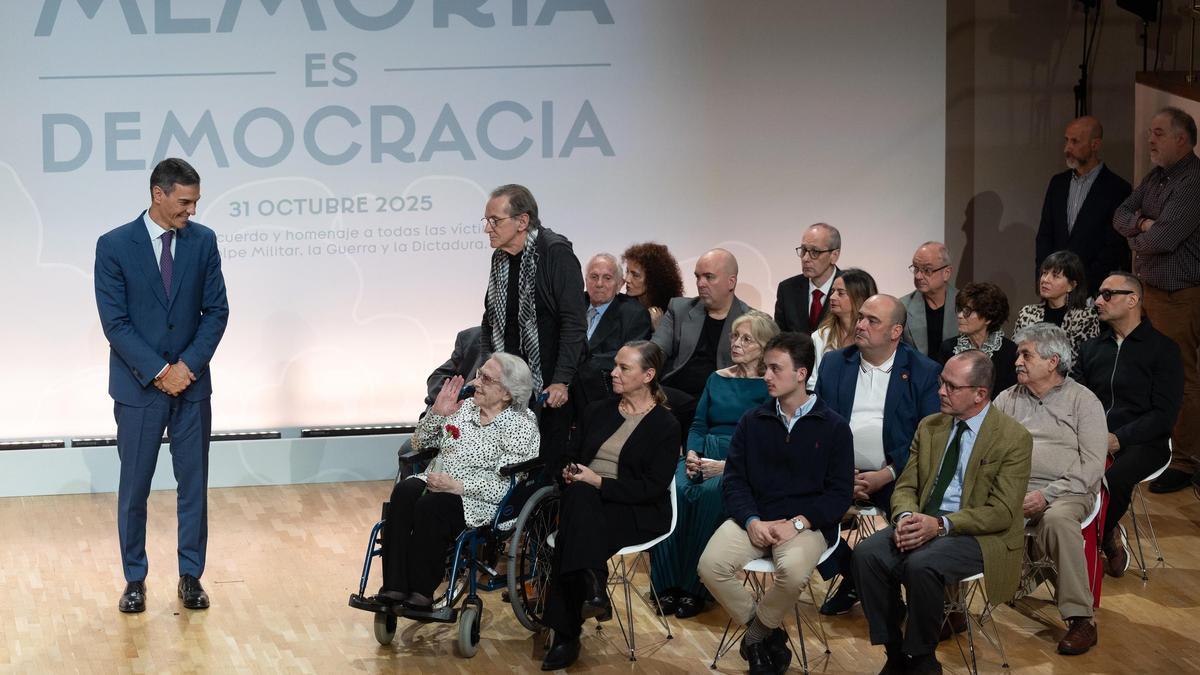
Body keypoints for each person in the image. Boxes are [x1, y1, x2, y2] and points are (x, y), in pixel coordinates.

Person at [94, 158, 230, 613]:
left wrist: (186, 367)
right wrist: (159, 372)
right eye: (184, 202)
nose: (190, 211)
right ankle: (135, 579)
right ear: (159, 194)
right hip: (139, 392)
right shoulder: (114, 246)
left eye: (195, 202)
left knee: (194, 487)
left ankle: (191, 576)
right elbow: (116, 323)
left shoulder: (203, 242)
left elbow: (217, 312)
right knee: (135, 489)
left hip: (192, 389)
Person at [853, 351, 1033, 675]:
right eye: (941, 383)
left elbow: (1002, 512)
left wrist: (940, 525)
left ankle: (921, 659)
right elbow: (906, 485)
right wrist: (906, 518)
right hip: (923, 522)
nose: (940, 391)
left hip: (976, 533)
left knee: (923, 564)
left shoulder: (1012, 438)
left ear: (980, 394)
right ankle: (895, 653)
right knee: (867, 554)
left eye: (952, 386)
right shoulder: (930, 427)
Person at [697, 331, 853, 675]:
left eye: (775, 369)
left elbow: (839, 494)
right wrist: (752, 520)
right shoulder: (752, 421)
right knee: (710, 566)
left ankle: (754, 639)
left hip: (805, 525)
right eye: (766, 368)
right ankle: (768, 634)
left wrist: (797, 523)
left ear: (801, 374)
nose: (766, 376)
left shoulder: (835, 427)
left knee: (794, 573)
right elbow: (734, 482)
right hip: (754, 520)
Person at [539, 341, 680, 671]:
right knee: (579, 500)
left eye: (624, 368)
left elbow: (651, 488)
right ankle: (593, 588)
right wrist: (569, 471)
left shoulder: (665, 425)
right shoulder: (598, 410)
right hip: (586, 500)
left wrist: (599, 482)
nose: (613, 373)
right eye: (615, 366)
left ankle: (567, 634)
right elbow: (572, 454)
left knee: (575, 526)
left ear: (648, 375)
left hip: (635, 509)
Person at [372, 354, 540, 610]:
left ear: (507, 393)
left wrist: (458, 486)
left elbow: (507, 488)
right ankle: (394, 587)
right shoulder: (464, 409)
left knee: (431, 507)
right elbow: (418, 445)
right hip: (439, 481)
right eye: (479, 374)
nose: (476, 382)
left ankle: (421, 591)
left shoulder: (521, 426)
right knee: (405, 491)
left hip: (479, 499)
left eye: (485, 378)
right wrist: (436, 414)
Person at [815, 294, 942, 616]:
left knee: (908, 522)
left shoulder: (923, 371)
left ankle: (878, 582)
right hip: (840, 474)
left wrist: (888, 473)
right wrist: (842, 474)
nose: (860, 325)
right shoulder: (834, 363)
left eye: (872, 321)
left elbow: (927, 436)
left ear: (895, 331)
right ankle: (858, 577)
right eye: (860, 317)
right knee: (801, 512)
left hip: (897, 475)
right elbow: (820, 425)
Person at [649, 310, 777, 620]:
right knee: (672, 489)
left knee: (711, 495)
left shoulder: (770, 387)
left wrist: (728, 466)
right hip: (703, 450)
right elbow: (698, 423)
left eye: (747, 339)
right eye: (735, 336)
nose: (736, 343)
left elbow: (766, 440)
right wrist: (692, 453)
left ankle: (696, 588)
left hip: (738, 459)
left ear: (764, 347)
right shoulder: (717, 378)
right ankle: (666, 585)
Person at [993, 323, 1106, 655]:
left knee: (1056, 521)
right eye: (1017, 354)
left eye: (1026, 354)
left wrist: (1047, 495)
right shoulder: (1007, 399)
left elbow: (1092, 465)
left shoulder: (1083, 401)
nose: (1017, 361)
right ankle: (951, 609)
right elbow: (984, 449)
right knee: (959, 512)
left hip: (1069, 492)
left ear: (1053, 361)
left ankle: (1081, 619)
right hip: (1013, 490)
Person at [1112, 107, 1200, 494]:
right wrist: (1145, 225)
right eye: (1151, 132)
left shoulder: (1193, 181)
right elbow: (1120, 215)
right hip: (1150, 293)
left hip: (1179, 295)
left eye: (1159, 133)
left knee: (1181, 378)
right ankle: (1154, 449)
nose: (1150, 139)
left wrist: (1143, 230)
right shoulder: (1156, 177)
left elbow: (1163, 240)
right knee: (1146, 376)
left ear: (1182, 139)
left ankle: (1185, 460)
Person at [1075, 273, 1183, 577]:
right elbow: (1077, 400)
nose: (1098, 301)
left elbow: (1164, 415)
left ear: (1132, 300)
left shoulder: (1164, 350)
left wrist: (1118, 438)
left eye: (1108, 294)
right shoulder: (1092, 348)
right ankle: (1096, 538)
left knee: (1112, 478)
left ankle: (1086, 544)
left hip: (1145, 442)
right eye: (1099, 293)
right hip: (1092, 438)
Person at [480, 184, 587, 468]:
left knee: (545, 464)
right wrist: (486, 370)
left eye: (495, 221)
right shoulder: (500, 258)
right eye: (487, 221)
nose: (487, 228)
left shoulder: (555, 252)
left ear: (522, 221)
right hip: (511, 381)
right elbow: (489, 320)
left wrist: (561, 380)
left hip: (551, 384)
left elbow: (574, 323)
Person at [652, 248, 752, 440]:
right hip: (673, 391)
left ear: (731, 282)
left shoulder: (752, 321)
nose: (700, 284)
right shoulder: (679, 308)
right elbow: (656, 349)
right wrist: (638, 367)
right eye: (698, 277)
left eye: (709, 277)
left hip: (718, 398)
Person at [1035, 116, 1133, 297]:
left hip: (1094, 291)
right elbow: (1045, 235)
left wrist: (1080, 285)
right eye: (1066, 141)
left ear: (1095, 145)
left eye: (1075, 142)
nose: (1067, 148)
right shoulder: (1058, 184)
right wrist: (1045, 279)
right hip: (1055, 291)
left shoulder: (1117, 188)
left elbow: (1114, 247)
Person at [580, 253, 652, 395]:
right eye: (594, 277)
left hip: (605, 391)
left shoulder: (634, 315)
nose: (599, 284)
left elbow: (631, 359)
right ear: (586, 280)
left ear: (620, 284)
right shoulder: (573, 305)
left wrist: (576, 361)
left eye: (607, 278)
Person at [1013, 250, 1100, 359]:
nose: (1045, 280)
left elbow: (1083, 361)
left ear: (1071, 285)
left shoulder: (1084, 317)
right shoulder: (1027, 313)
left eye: (1055, 276)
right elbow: (1016, 352)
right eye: (1044, 273)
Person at [938, 282, 1017, 399]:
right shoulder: (949, 348)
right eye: (959, 310)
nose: (960, 315)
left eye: (967, 311)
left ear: (988, 318)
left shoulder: (1010, 351)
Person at [809, 268, 878, 390]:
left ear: (859, 297)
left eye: (840, 293)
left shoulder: (877, 336)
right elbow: (812, 382)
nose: (832, 297)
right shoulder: (820, 336)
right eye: (833, 291)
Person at [774, 223, 843, 333]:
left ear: (834, 255)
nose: (805, 258)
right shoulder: (787, 289)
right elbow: (779, 339)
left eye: (814, 252)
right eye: (803, 250)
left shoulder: (851, 290)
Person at [900, 242, 958, 358]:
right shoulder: (902, 307)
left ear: (946, 273)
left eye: (927, 270)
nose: (918, 276)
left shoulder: (966, 305)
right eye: (916, 269)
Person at [621, 242, 685, 330]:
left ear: (653, 280)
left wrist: (659, 330)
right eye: (627, 271)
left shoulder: (673, 313)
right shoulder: (622, 306)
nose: (627, 279)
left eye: (635, 275)